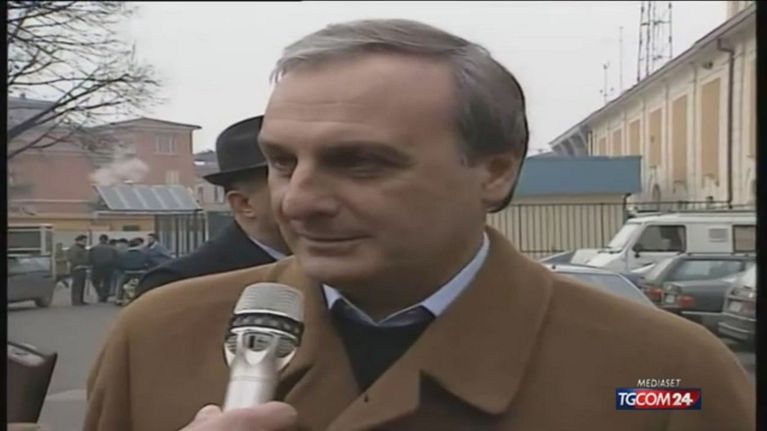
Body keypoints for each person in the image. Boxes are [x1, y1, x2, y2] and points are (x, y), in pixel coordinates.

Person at [85, 19, 754, 431]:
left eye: (360, 162)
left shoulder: (661, 373)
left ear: (494, 171)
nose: (300, 201)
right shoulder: (158, 336)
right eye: (283, 162)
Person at [135, 116, 290, 298]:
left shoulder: (316, 268)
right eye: (289, 182)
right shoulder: (177, 284)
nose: (311, 196)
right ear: (244, 204)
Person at [114, 238, 152, 305]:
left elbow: (118, 264)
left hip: (127, 272)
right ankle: (146, 297)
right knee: (145, 284)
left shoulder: (123, 254)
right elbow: (149, 262)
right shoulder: (144, 254)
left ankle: (119, 298)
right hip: (140, 272)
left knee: (121, 285)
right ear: (138, 246)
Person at [89, 234, 118, 303]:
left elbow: (89, 258)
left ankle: (100, 293)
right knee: (107, 282)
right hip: (109, 267)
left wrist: (91, 264)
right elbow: (116, 258)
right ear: (107, 240)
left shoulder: (94, 248)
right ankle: (104, 296)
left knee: (95, 281)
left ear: (99, 239)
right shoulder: (112, 249)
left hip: (96, 267)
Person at [66, 235, 89, 306]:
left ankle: (80, 300)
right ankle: (76, 301)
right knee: (77, 285)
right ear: (79, 241)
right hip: (77, 268)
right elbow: (73, 259)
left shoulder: (82, 248)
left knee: (82, 285)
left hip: (83, 268)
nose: (85, 242)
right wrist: (80, 264)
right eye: (84, 241)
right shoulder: (74, 248)